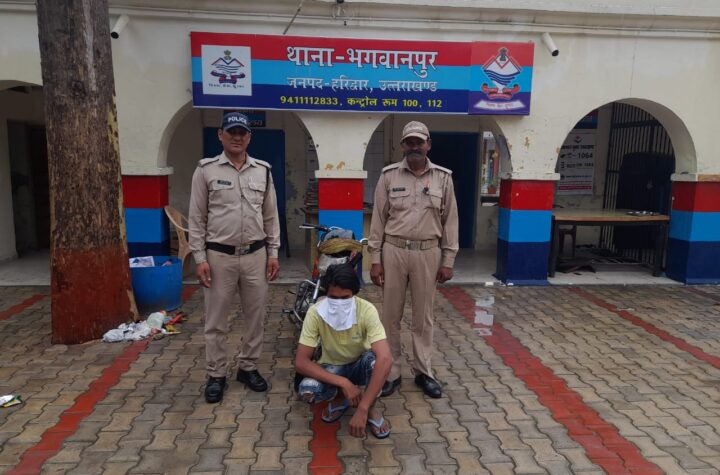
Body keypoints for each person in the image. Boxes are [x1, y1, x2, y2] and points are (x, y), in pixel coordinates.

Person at [189, 111, 281, 404]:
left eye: (242, 133)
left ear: (249, 137)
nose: (237, 137)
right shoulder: (206, 170)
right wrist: (199, 257)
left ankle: (248, 367)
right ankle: (216, 374)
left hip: (255, 255)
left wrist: (273, 252)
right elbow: (196, 218)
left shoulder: (263, 171)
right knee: (216, 320)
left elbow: (271, 216)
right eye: (232, 132)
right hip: (219, 257)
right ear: (221, 135)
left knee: (256, 316)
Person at [368, 120, 459, 399]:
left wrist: (448, 260)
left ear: (428, 144)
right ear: (403, 146)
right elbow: (378, 219)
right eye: (410, 142)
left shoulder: (443, 178)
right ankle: (391, 372)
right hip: (393, 251)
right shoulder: (388, 176)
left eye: (420, 142)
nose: (415, 147)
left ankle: (423, 372)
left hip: (428, 253)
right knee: (390, 316)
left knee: (423, 317)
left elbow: (450, 220)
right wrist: (375, 258)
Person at [295, 264, 393, 439]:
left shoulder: (366, 310)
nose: (339, 303)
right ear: (326, 293)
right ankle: (340, 398)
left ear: (354, 294)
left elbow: (386, 358)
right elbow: (301, 362)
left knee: (377, 363)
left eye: (345, 298)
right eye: (333, 297)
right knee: (308, 389)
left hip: (361, 363)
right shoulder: (315, 312)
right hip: (332, 366)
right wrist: (343, 383)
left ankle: (370, 407)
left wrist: (362, 409)